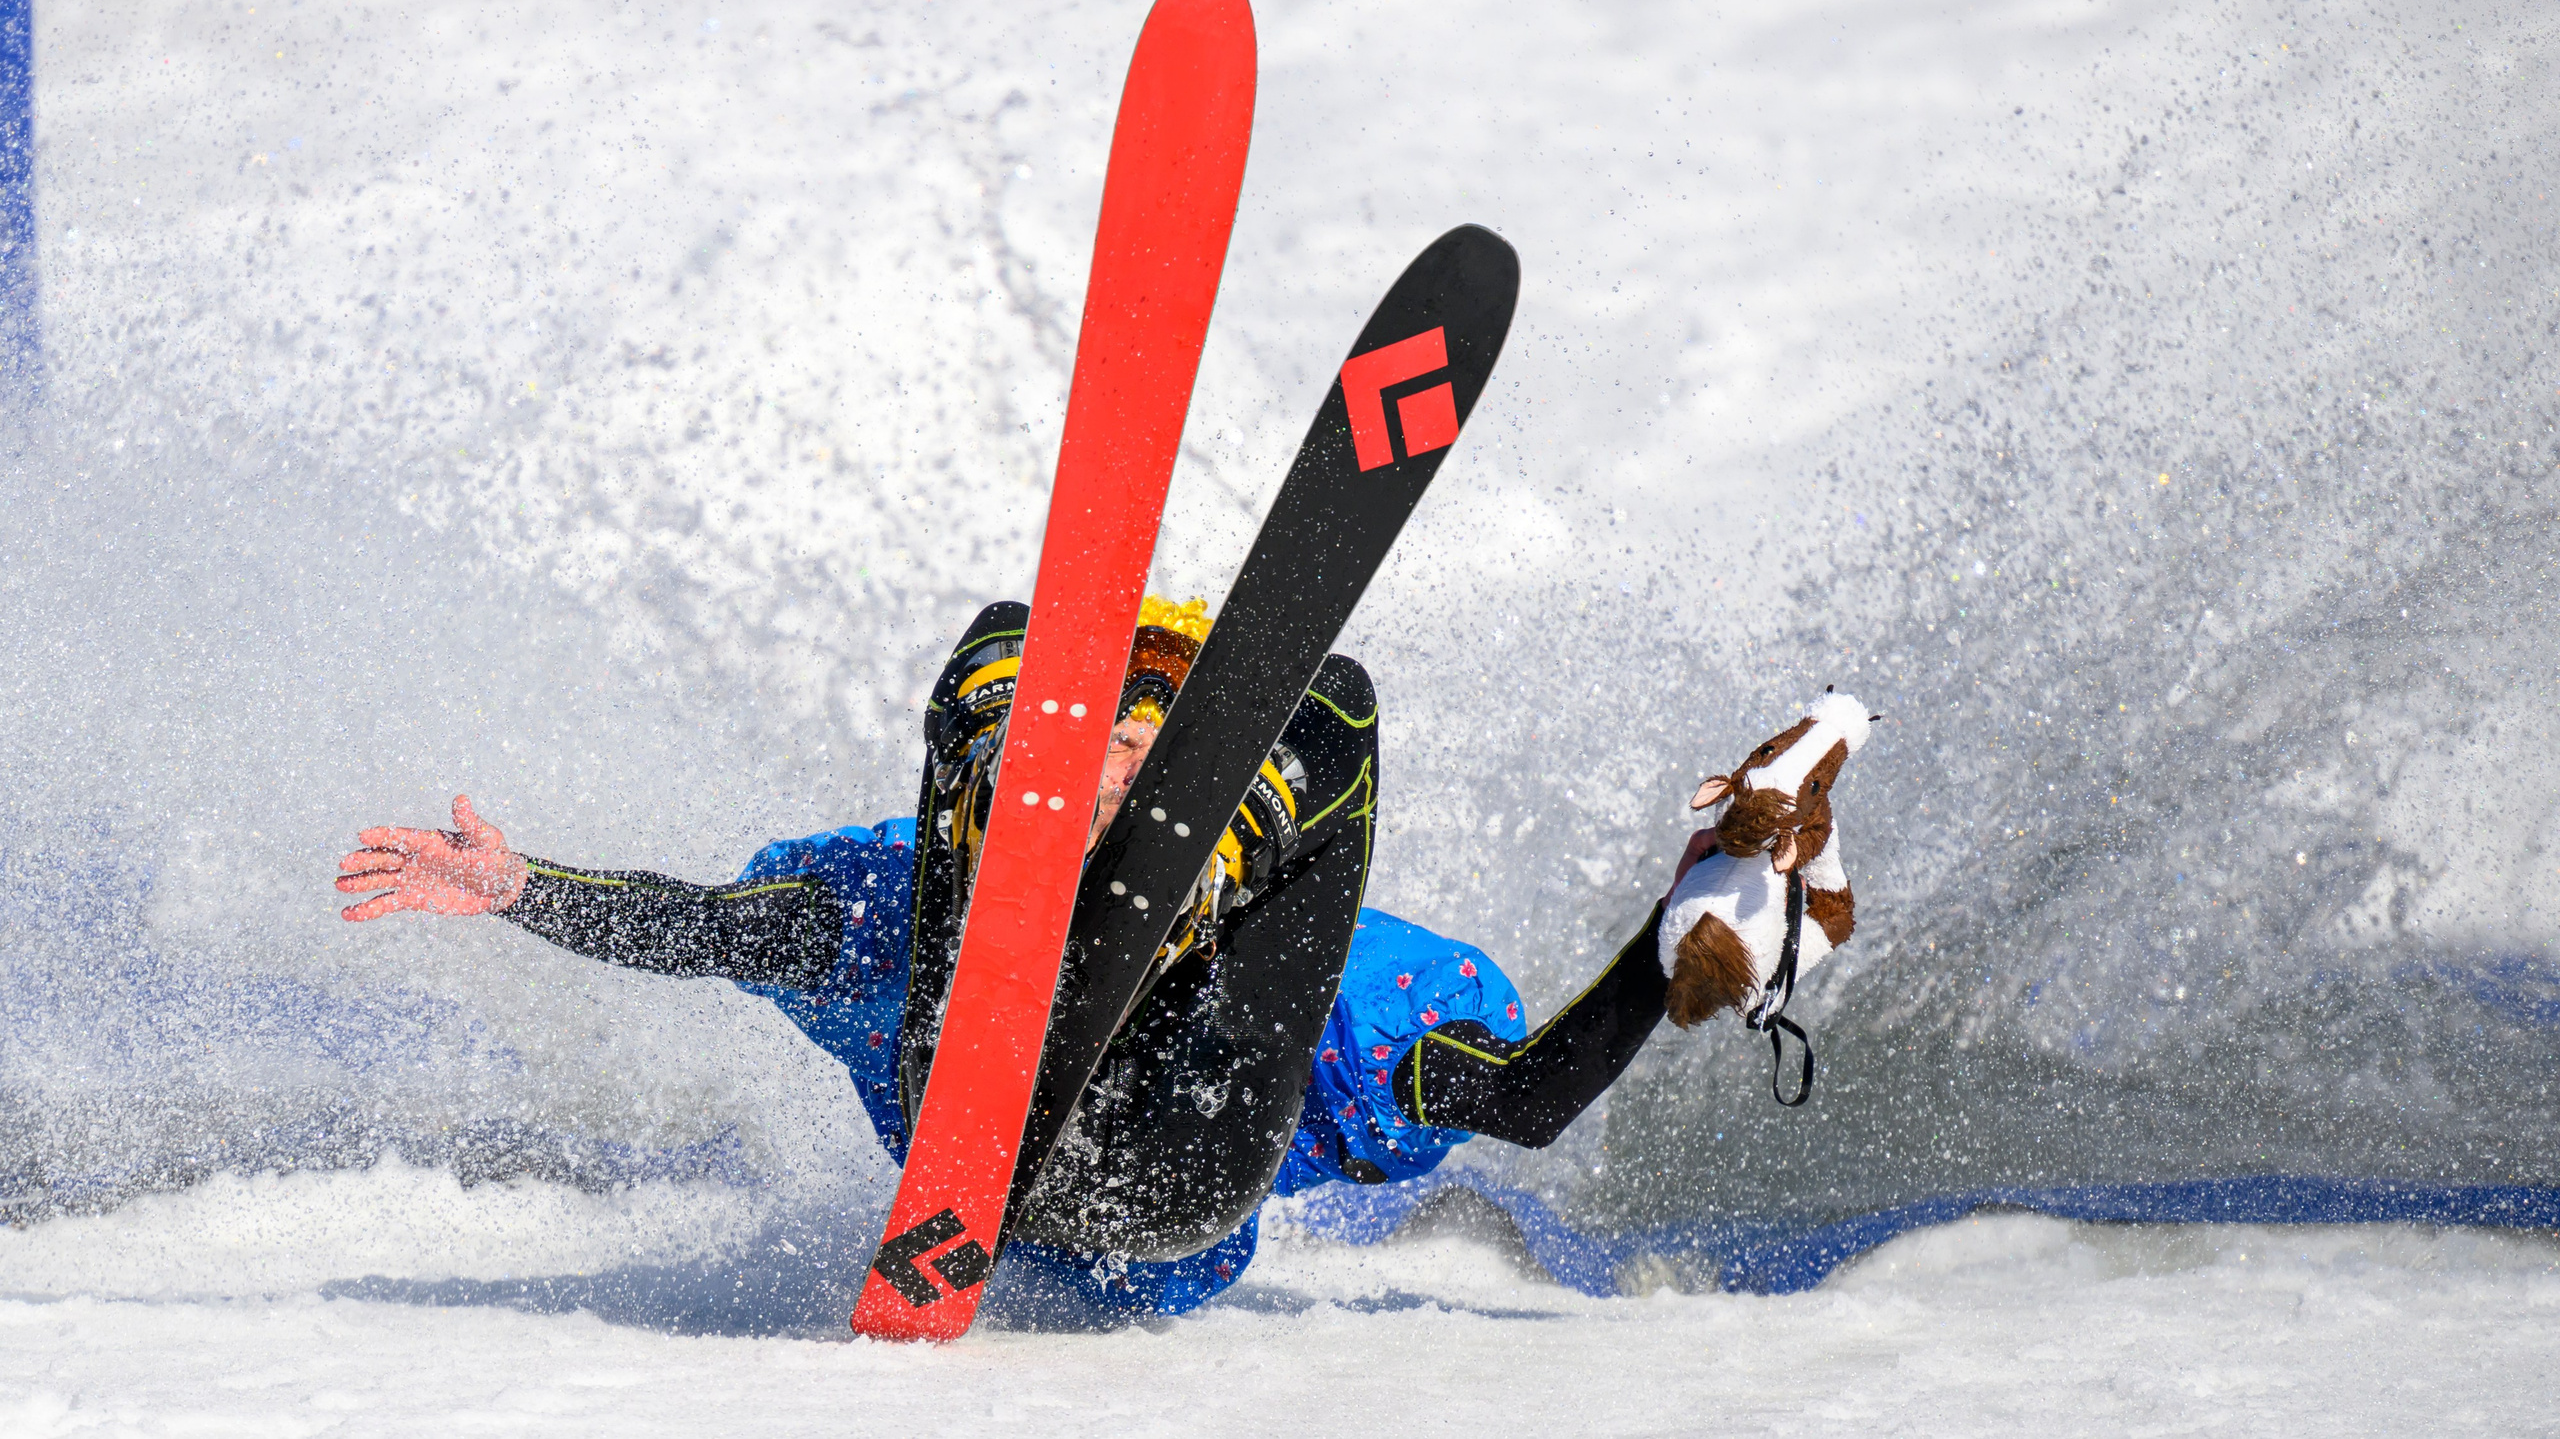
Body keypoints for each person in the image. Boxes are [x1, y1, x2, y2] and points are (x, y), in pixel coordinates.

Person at [336, 596, 1872, 1320]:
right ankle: (1046, 781)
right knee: (983, 689)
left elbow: (1526, 1097)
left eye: (1150, 746)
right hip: (981, 1128)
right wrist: (523, 886)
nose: (1129, 761)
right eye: (1113, 738)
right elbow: (716, 924)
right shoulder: (879, 901)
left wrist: (1672, 944)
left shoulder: (1358, 1013)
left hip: (1173, 1177)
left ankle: (1243, 817)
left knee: (1335, 702)